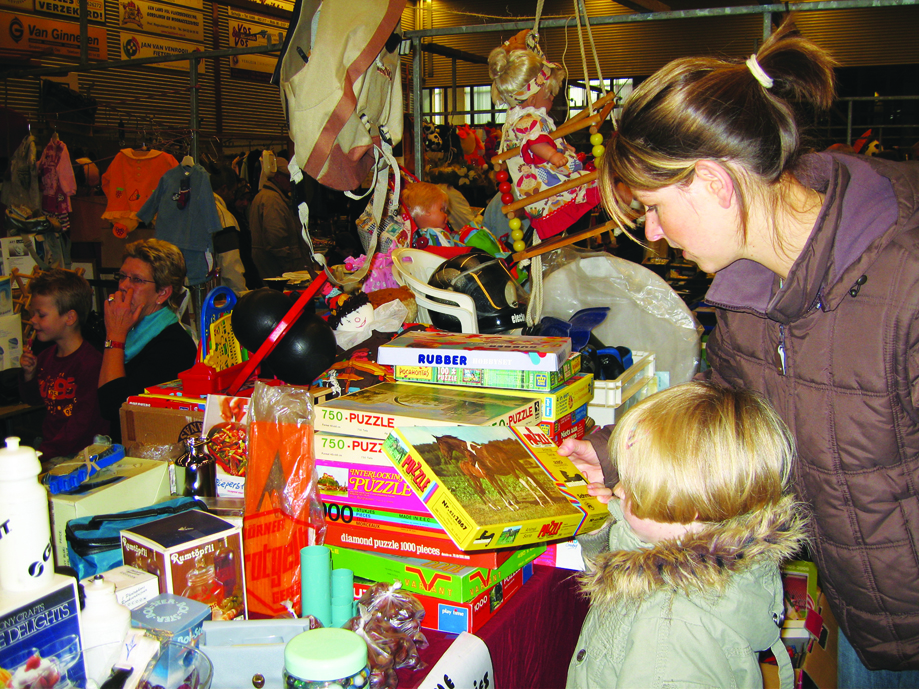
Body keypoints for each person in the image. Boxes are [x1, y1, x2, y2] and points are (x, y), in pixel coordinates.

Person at [560, 17, 919, 685]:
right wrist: (618, 453)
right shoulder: (750, 289)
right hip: (864, 615)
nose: (654, 233)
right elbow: (720, 409)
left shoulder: (904, 280)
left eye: (655, 206)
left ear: (713, 182)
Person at [566, 382, 807, 689]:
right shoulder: (706, 542)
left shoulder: (671, 636)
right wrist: (600, 532)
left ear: (690, 506)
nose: (619, 489)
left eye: (634, 486)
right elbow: (639, 561)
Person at [488, 30, 599, 240]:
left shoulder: (519, 118)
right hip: (548, 185)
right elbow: (535, 141)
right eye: (549, 95)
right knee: (590, 184)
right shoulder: (528, 120)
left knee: (588, 182)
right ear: (532, 100)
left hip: (542, 185)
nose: (552, 99)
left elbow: (542, 138)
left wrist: (561, 147)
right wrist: (553, 155)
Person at [98, 239, 197, 441]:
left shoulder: (173, 346)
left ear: (162, 293)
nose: (123, 286)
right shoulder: (125, 326)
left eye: (137, 280)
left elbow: (113, 407)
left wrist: (115, 337)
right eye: (122, 277)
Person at [19, 270, 108, 460]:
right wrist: (29, 375)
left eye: (41, 315)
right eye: (33, 313)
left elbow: (82, 423)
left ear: (69, 318)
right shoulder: (45, 357)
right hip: (55, 448)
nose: (33, 320)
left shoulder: (90, 363)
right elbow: (34, 400)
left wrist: (44, 454)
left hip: (83, 454)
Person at [248, 155, 309, 280]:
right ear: (277, 177)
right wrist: (286, 266)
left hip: (271, 264)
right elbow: (276, 237)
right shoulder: (273, 200)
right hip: (277, 267)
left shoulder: (269, 196)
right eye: (288, 177)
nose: (291, 180)